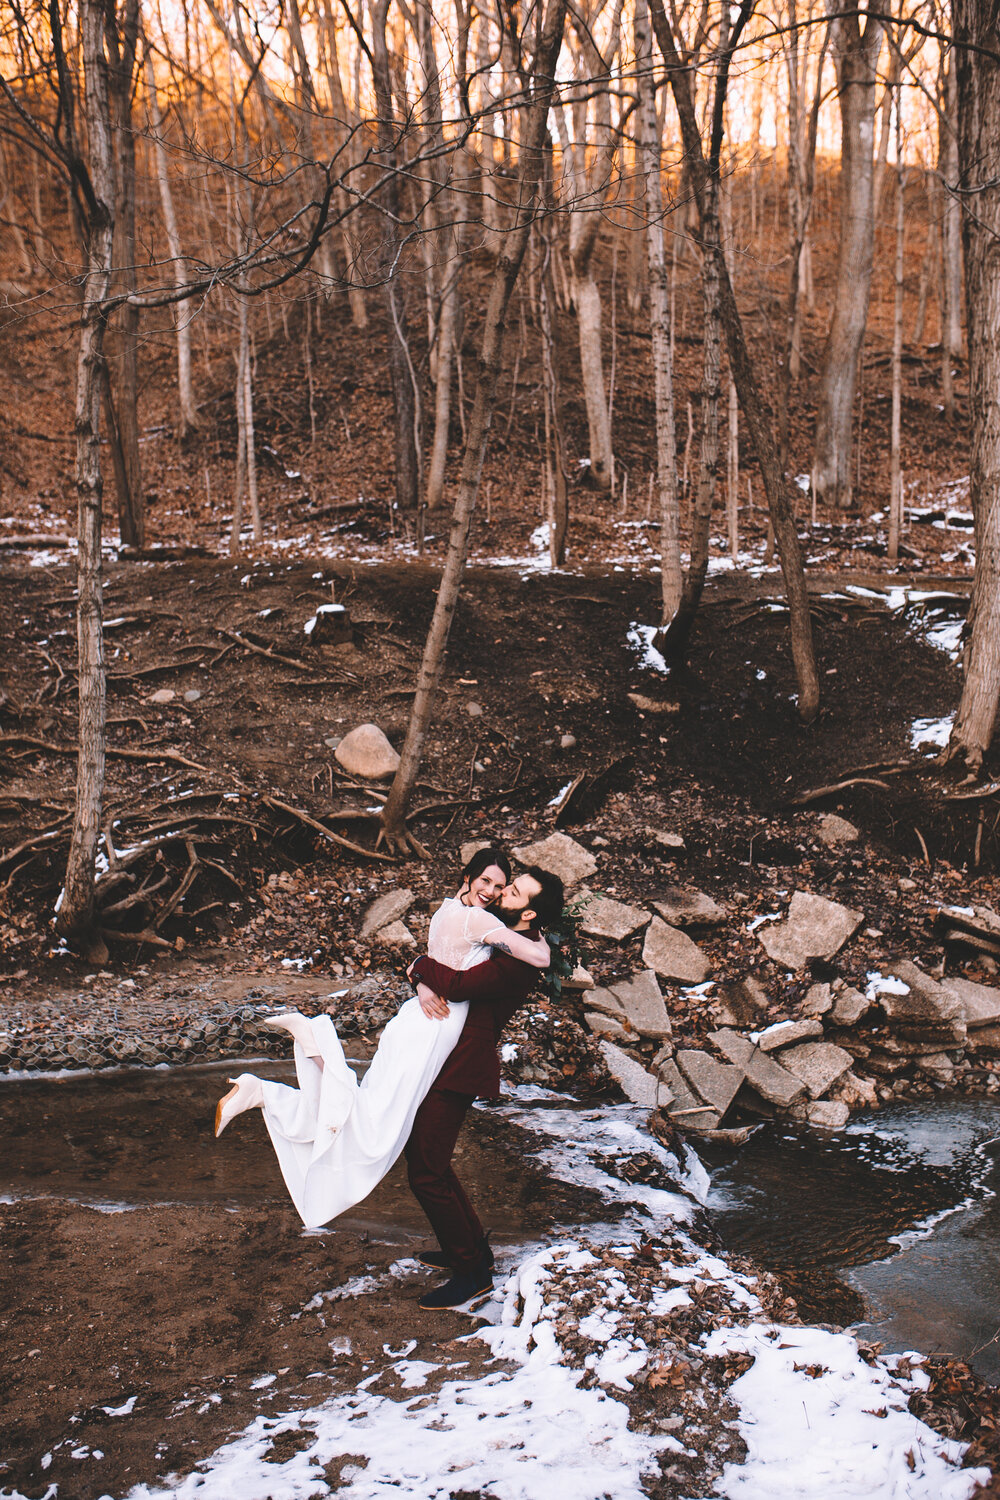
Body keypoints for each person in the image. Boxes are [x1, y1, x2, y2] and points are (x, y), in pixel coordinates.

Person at [212, 849, 551, 1231]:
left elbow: (434, 961)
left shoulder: (448, 910)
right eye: (485, 881)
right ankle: (305, 1051)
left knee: (374, 1108)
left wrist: (420, 977)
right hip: (431, 1029)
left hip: (419, 1020)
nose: (492, 891)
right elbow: (537, 960)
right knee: (376, 1123)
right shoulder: (476, 918)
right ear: (468, 877)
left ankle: (275, 1084)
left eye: (502, 887)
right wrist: (551, 945)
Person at [404, 865, 565, 1311]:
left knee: (426, 1171)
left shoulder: (518, 962)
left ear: (529, 915)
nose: (502, 893)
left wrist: (417, 964)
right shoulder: (495, 936)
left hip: (461, 1066)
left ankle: (471, 1274)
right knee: (431, 1163)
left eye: (513, 892)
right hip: (444, 1056)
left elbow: (455, 985)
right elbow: (450, 963)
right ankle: (472, 1250)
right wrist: (420, 979)